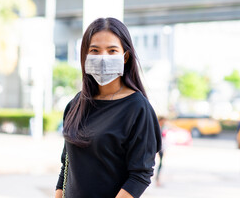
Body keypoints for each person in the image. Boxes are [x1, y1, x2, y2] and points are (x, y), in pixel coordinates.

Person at [55, 17, 162, 198]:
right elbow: (67, 165)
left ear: (125, 56)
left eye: (112, 51)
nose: (103, 57)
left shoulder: (138, 108)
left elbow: (140, 175)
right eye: (94, 51)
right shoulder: (75, 104)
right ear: (85, 55)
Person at [156, 116, 167, 187]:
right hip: (159, 148)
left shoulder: (162, 127)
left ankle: (158, 178)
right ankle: (157, 179)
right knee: (159, 164)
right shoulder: (157, 127)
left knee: (160, 163)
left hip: (162, 147)